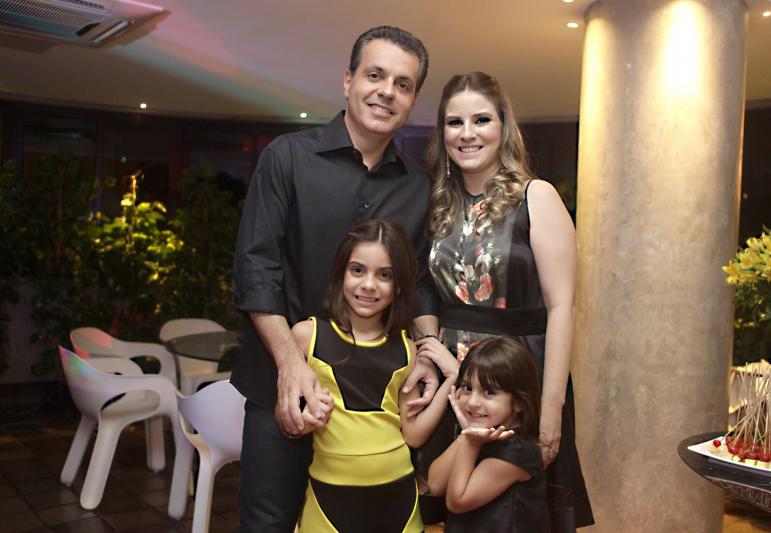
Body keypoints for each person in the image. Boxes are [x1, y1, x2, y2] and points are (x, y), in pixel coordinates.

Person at [231, 26, 440, 532]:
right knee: (268, 523)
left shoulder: (417, 186)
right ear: (348, 81)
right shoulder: (287, 158)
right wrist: (291, 365)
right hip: (282, 381)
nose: (387, 91)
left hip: (372, 399)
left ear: (413, 100)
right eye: (375, 75)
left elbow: (419, 283)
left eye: (403, 84)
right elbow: (256, 267)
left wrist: (429, 353)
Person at [417, 71, 594, 531]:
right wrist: (427, 351)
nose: (467, 133)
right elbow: (424, 288)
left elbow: (561, 307)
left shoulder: (537, 196)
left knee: (514, 514)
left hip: (518, 381)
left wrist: (551, 407)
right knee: (453, 503)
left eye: (481, 120)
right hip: (456, 381)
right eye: (454, 122)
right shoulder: (437, 202)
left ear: (503, 126)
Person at [290, 219, 459, 532]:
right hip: (329, 502)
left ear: (399, 286)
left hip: (398, 501)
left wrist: (452, 380)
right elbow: (284, 416)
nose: (369, 284)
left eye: (384, 275)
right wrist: (302, 421)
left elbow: (413, 435)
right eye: (358, 270)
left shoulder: (407, 350)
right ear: (340, 273)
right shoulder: (305, 337)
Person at [427, 337, 550, 532]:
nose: (472, 402)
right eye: (468, 388)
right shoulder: (479, 433)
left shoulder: (516, 452)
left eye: (489, 392)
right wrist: (466, 435)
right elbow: (435, 485)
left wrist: (470, 442)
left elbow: (457, 501)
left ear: (519, 402)